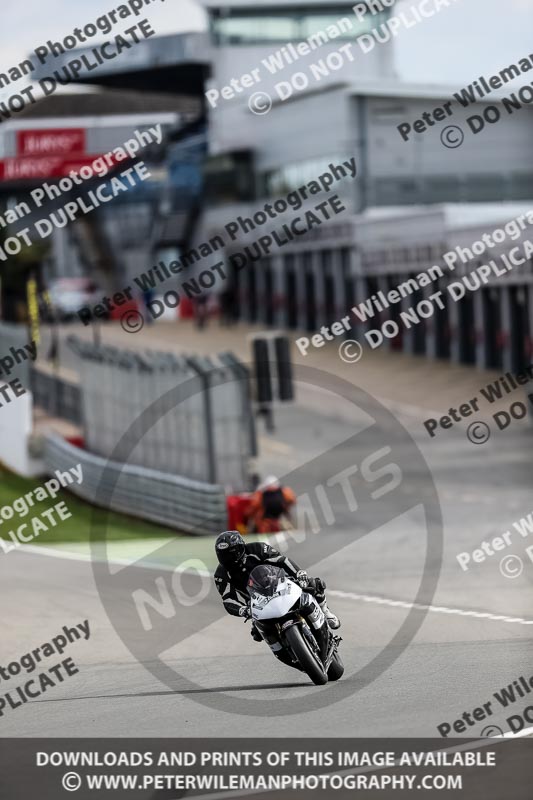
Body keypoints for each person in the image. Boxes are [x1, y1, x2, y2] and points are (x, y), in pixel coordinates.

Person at [214, 530, 340, 633]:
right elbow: (228, 599)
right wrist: (242, 610)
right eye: (223, 555)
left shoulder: (257, 549)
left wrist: (299, 573)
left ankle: (326, 612)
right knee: (257, 633)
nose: (228, 559)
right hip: (256, 601)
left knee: (313, 584)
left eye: (231, 554)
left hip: (280, 583)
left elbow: (282, 560)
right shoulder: (221, 574)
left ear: (240, 548)